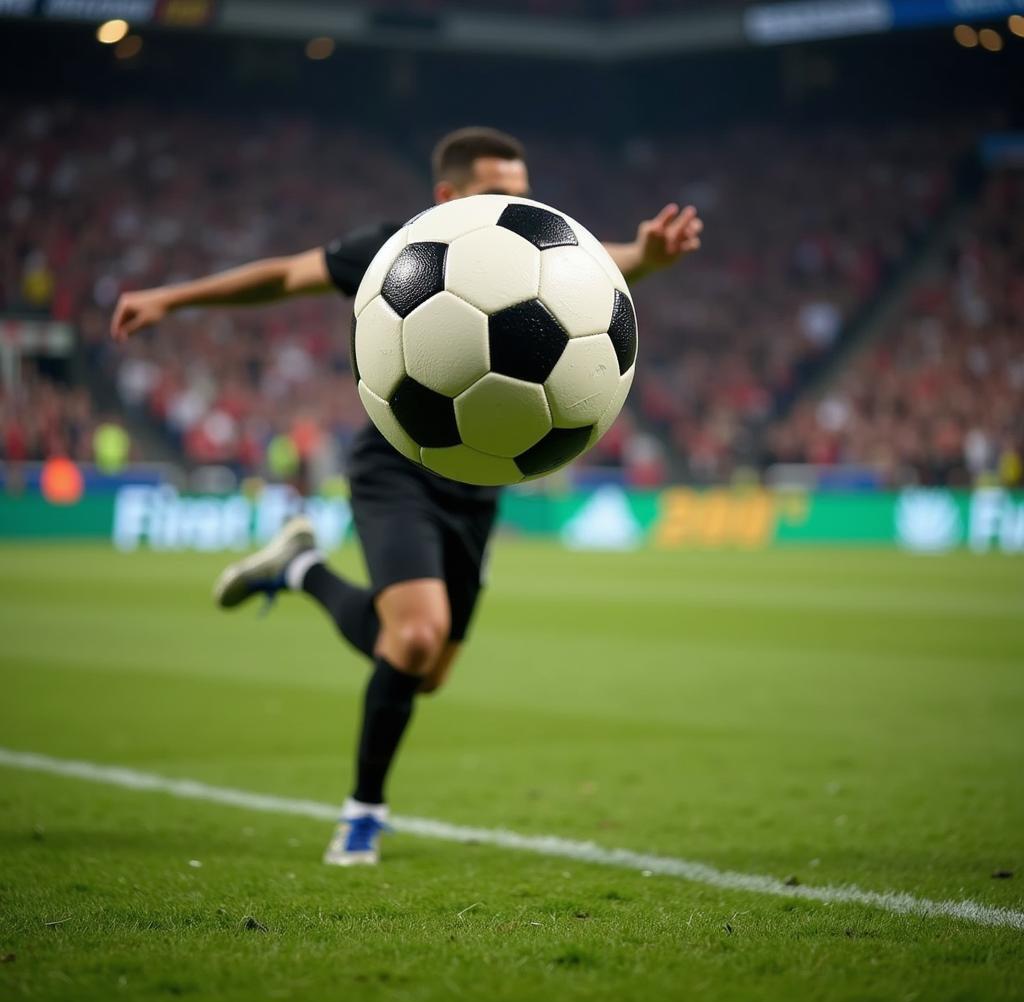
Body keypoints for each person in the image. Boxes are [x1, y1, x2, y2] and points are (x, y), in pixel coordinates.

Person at [111, 126, 703, 866]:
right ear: (448, 197)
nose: (513, 203)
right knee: (416, 638)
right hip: (395, 467)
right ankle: (364, 811)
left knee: (423, 672)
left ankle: (298, 569)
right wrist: (172, 298)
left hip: (482, 484)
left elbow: (595, 276)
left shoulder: (537, 249)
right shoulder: (401, 252)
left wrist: (647, 257)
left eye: (520, 190)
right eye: (496, 190)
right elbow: (283, 275)